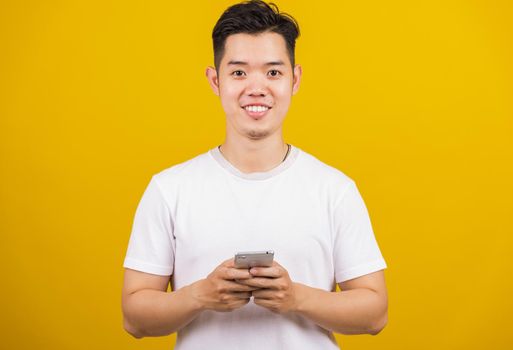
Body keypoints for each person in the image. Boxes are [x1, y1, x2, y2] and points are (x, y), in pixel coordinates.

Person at [121, 1, 388, 348]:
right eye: (239, 72)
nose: (256, 87)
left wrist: (297, 297)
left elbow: (375, 312)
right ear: (215, 81)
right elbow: (134, 318)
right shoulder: (169, 189)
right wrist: (199, 295)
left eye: (273, 72)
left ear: (296, 79)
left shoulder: (334, 190)